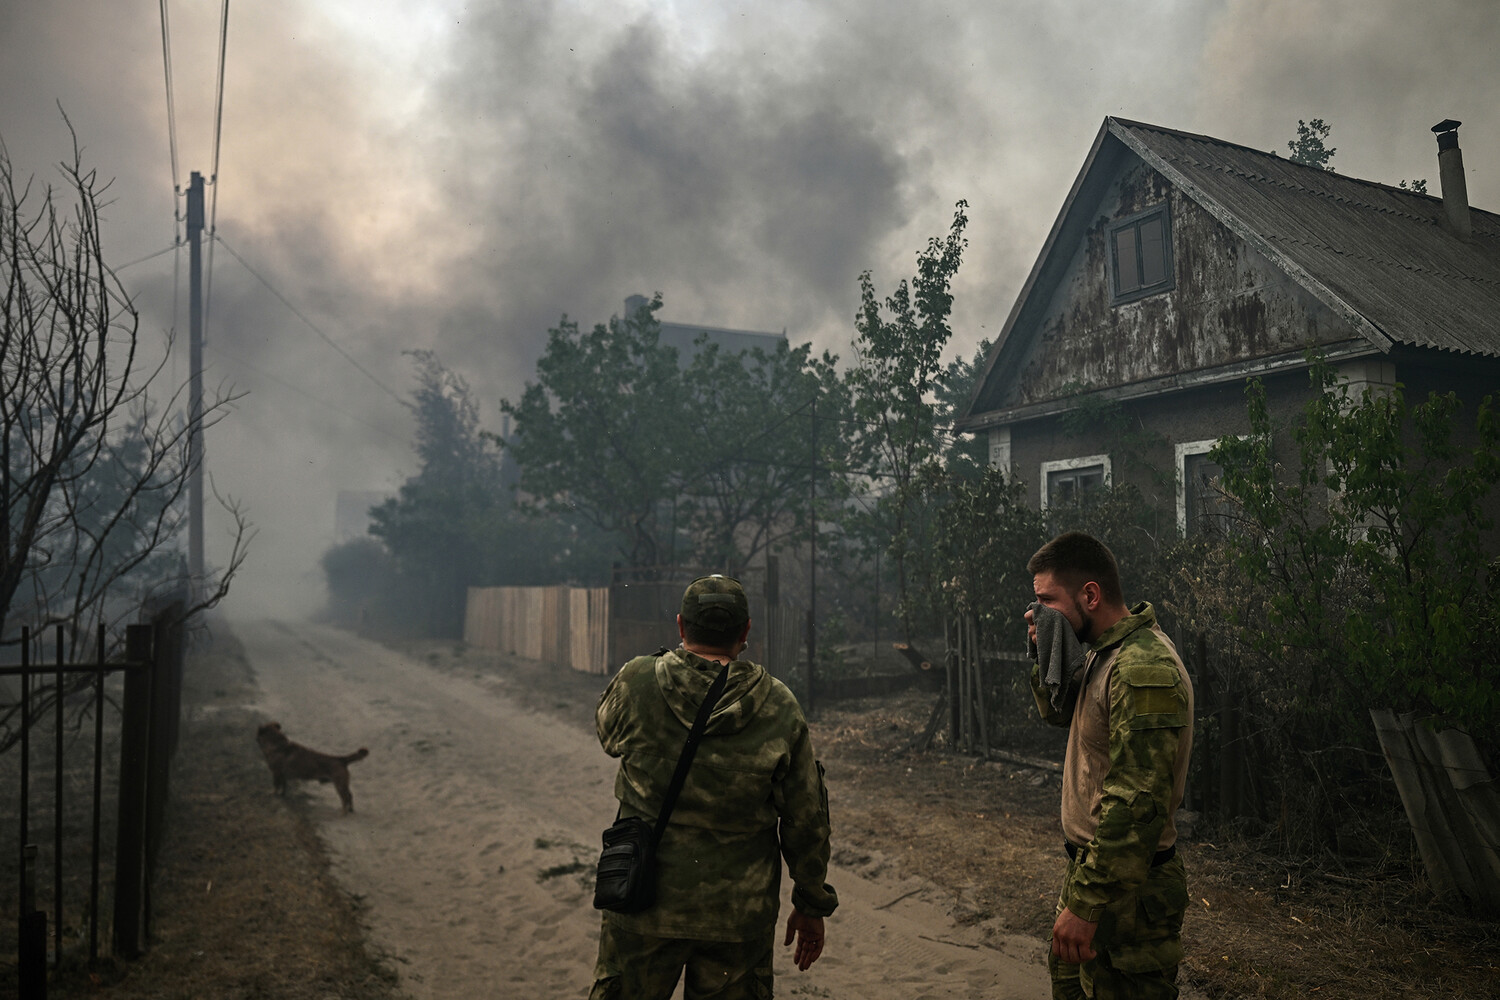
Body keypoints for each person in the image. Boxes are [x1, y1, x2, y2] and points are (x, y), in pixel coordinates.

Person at [590, 574, 838, 1000]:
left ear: (681, 626)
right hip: (737, 918)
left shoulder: (638, 680)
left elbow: (607, 733)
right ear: (745, 633)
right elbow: (806, 818)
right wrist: (811, 904)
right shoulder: (779, 705)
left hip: (643, 900)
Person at [1024, 532, 1194, 1000]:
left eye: (1045, 600)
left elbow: (1137, 803)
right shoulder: (1104, 653)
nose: (1035, 612)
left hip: (1127, 894)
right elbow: (1057, 711)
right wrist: (1043, 649)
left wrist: (1087, 902)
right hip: (1095, 874)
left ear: (1090, 595)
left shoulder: (1142, 666)